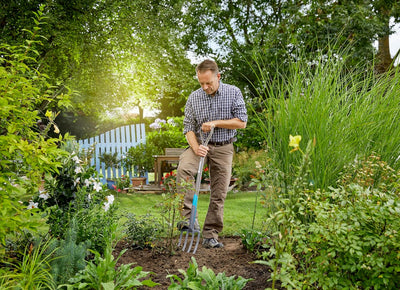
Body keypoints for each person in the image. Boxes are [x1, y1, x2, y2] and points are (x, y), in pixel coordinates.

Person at [176, 59, 247, 249]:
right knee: (184, 169)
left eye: (209, 83)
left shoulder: (233, 93)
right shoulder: (194, 97)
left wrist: (215, 123)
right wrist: (195, 147)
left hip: (223, 147)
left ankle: (210, 234)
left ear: (218, 76)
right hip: (200, 145)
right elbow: (188, 128)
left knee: (219, 191)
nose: (205, 87)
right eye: (201, 83)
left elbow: (241, 122)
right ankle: (189, 222)